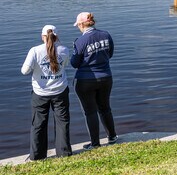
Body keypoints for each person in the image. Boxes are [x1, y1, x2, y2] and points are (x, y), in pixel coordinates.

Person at [21, 25, 72, 160]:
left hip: (40, 93)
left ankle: (37, 156)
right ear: (56, 36)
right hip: (60, 91)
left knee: (38, 124)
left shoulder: (35, 51)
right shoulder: (64, 50)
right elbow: (65, 64)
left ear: (42, 36)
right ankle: (64, 153)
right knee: (62, 121)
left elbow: (24, 71)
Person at [71, 12, 117, 150]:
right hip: (106, 77)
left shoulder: (80, 41)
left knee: (90, 112)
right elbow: (110, 53)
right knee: (105, 108)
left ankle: (95, 143)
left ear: (81, 24)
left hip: (85, 81)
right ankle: (112, 137)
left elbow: (74, 63)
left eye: (78, 25)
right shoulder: (106, 35)